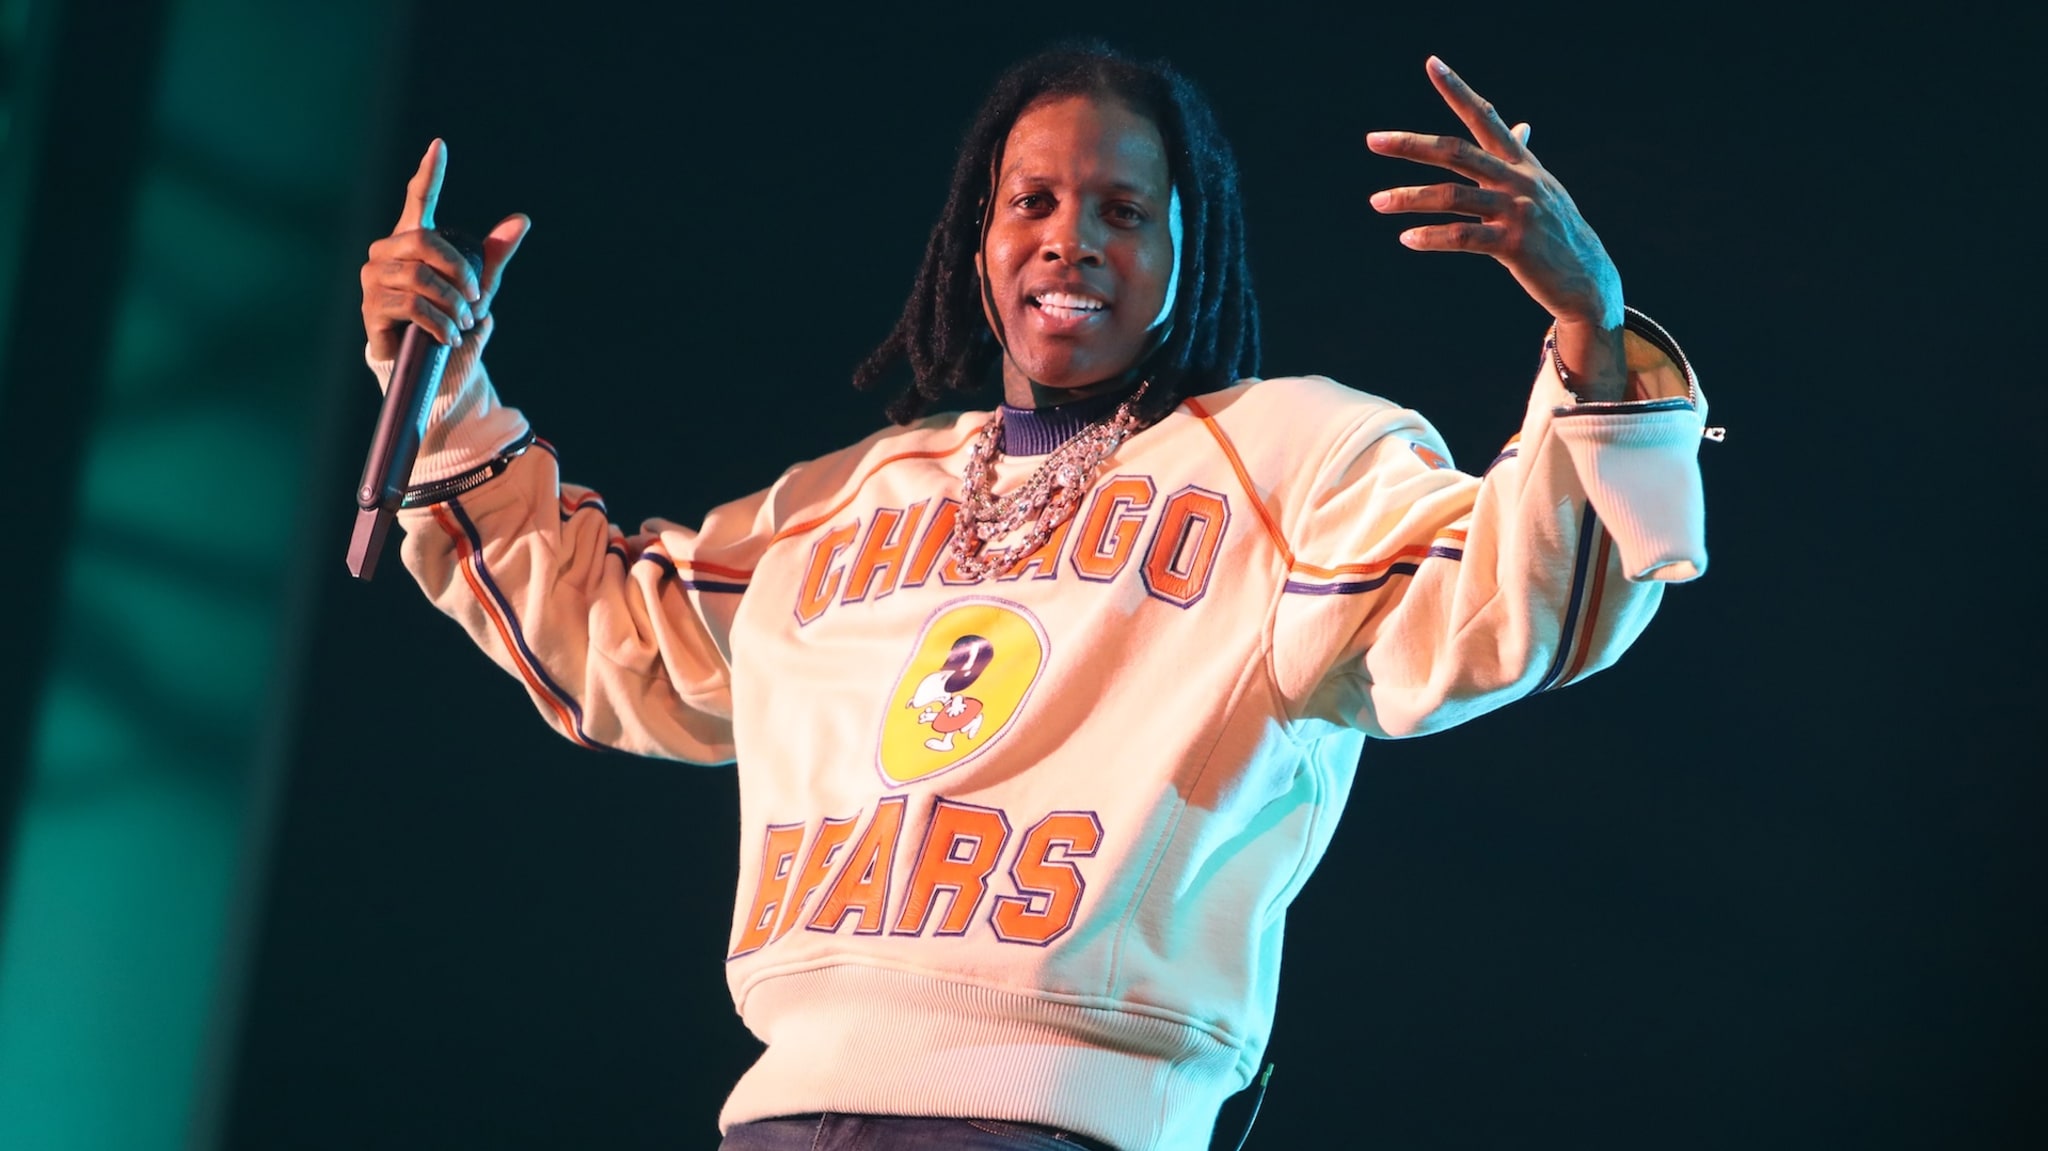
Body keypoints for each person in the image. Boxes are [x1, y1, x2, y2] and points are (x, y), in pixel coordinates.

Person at [356, 42, 1710, 1151]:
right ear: (975, 240)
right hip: (779, 1115)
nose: (1073, 241)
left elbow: (1505, 606)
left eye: (1124, 211)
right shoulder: (853, 499)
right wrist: (446, 392)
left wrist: (1592, 329)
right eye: (1036, 202)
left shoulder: (1292, 462)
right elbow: (617, 636)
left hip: (1068, 1124)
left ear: (1189, 249)